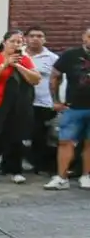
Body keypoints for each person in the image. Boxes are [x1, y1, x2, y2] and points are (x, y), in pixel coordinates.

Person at [0, 29, 39, 184]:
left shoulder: (24, 59)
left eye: (19, 42)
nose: (16, 45)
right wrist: (5, 64)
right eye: (13, 41)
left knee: (15, 137)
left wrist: (18, 66)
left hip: (14, 106)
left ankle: (15, 170)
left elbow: (35, 79)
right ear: (4, 42)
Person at [45, 26, 90, 189]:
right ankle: (61, 177)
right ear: (84, 38)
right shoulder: (71, 55)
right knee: (65, 141)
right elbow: (55, 76)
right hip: (73, 107)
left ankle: (87, 176)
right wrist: (56, 100)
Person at [23, 27, 58, 174]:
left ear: (45, 39)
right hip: (21, 102)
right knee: (20, 134)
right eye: (32, 36)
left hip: (43, 103)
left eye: (39, 36)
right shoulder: (19, 54)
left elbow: (57, 80)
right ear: (26, 38)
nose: (35, 39)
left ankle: (39, 165)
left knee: (40, 135)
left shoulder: (53, 58)